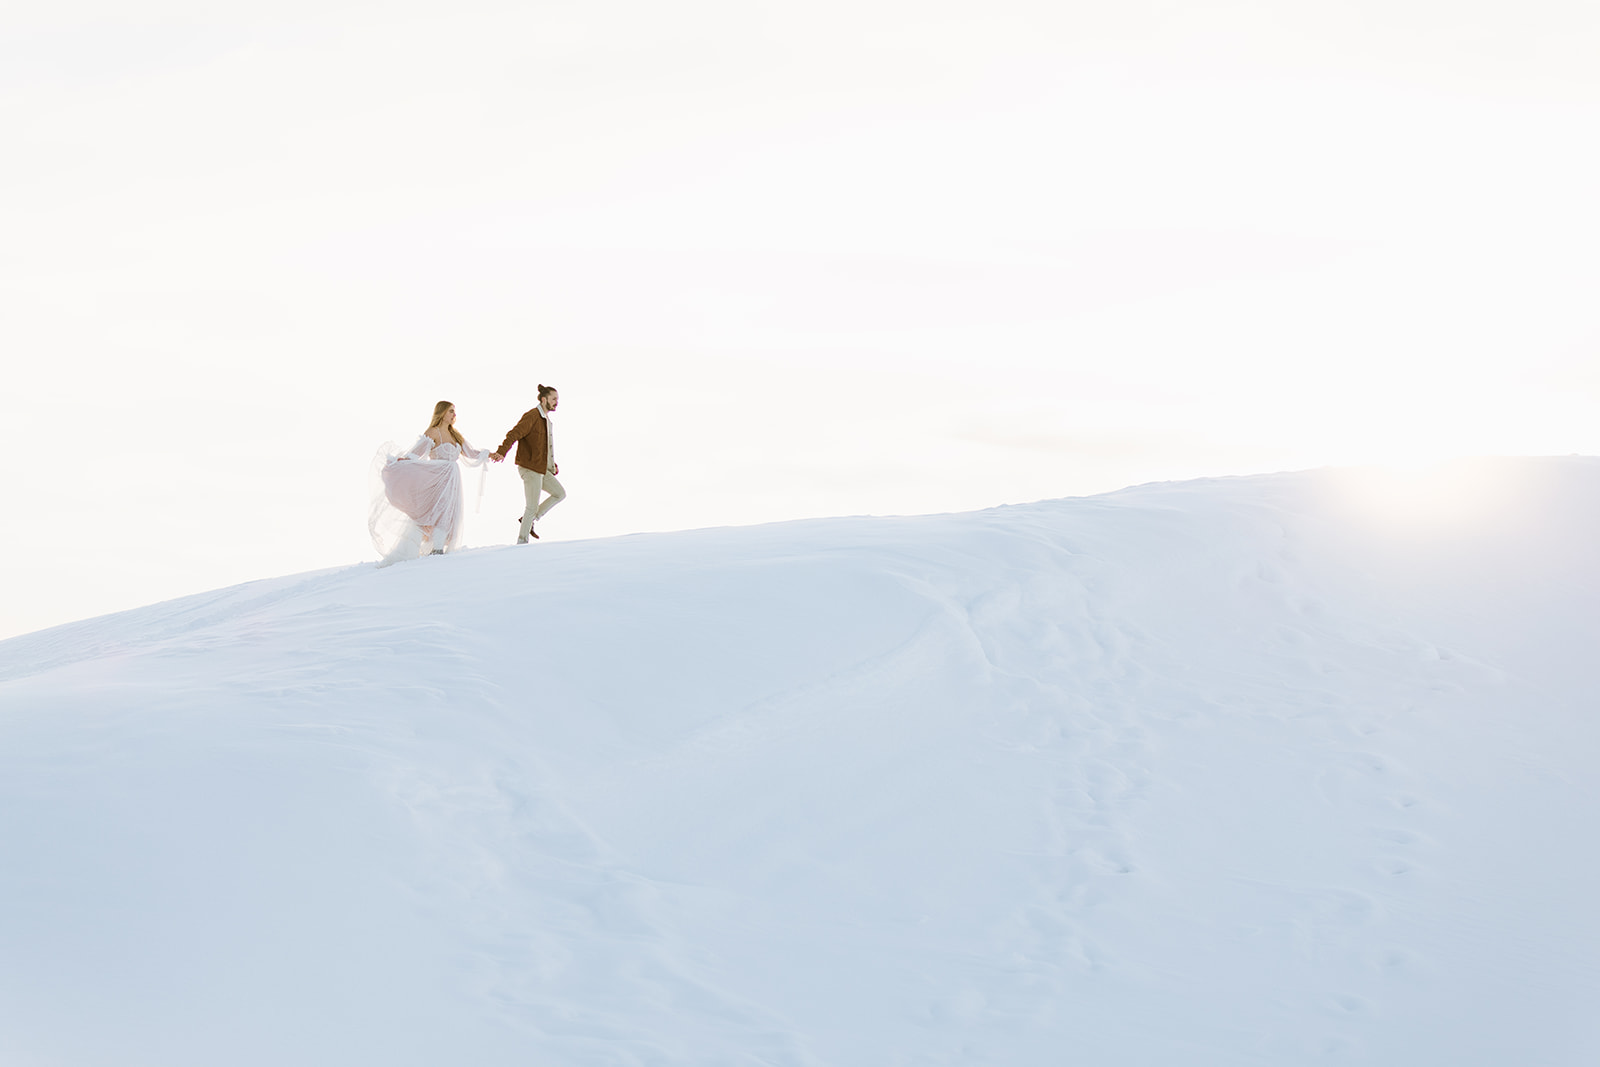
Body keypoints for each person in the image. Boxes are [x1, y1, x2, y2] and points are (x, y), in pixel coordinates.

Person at [370, 401, 492, 565]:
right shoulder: (433, 432)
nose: (454, 415)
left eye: (454, 412)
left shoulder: (456, 435)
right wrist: (402, 461)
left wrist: (490, 454)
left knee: (448, 512)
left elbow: (471, 452)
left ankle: (438, 547)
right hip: (437, 478)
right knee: (435, 511)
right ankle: (432, 549)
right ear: (441, 413)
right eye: (451, 411)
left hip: (452, 480)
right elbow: (416, 453)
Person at [490, 384, 565, 543]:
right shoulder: (532, 416)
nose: (556, 402)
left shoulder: (546, 420)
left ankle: (530, 519)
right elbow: (514, 433)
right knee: (531, 505)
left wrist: (552, 464)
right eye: (553, 399)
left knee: (560, 493)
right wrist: (501, 451)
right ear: (544, 399)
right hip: (530, 468)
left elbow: (545, 446)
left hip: (542, 468)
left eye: (557, 399)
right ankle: (522, 543)